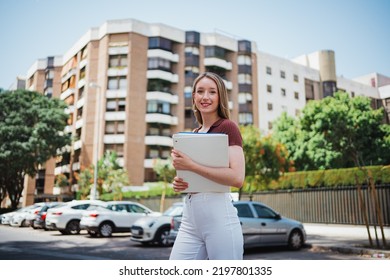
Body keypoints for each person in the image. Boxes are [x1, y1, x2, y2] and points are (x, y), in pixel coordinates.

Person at [169, 72, 245, 260]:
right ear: (193, 97)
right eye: (200, 91)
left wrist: (192, 165)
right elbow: (193, 175)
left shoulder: (228, 127)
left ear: (220, 97)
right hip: (190, 217)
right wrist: (180, 182)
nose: (205, 97)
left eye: (212, 92)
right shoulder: (193, 134)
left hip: (218, 216)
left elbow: (237, 178)